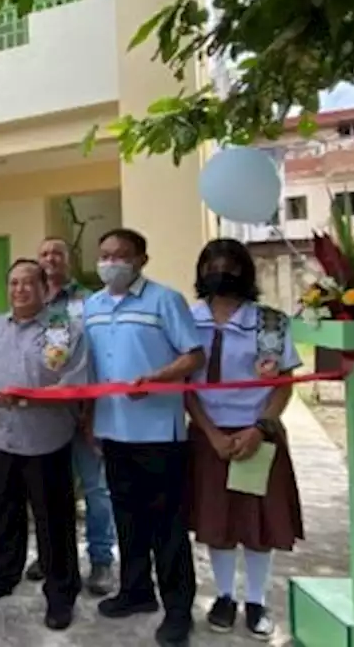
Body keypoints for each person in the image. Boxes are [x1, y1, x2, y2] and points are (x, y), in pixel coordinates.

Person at [83, 228, 205, 647]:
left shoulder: (164, 300)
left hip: (159, 432)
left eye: (121, 255)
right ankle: (136, 591)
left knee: (167, 525)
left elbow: (194, 354)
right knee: (127, 517)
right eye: (105, 255)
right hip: (112, 430)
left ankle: (178, 610)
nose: (111, 263)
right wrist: (88, 421)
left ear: (141, 261)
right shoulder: (92, 307)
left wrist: (156, 378)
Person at [185, 239, 304, 639]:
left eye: (230, 265)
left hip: (259, 434)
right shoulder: (187, 320)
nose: (221, 271)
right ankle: (223, 596)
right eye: (212, 264)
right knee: (217, 520)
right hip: (208, 434)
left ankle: (256, 600)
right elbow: (184, 387)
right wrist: (212, 433)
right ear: (201, 272)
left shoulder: (270, 323)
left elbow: (284, 386)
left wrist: (260, 429)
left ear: (246, 272)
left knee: (257, 521)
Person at [0, 259, 87, 630]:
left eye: (27, 283)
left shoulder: (62, 329)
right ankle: (0, 575)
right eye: (13, 283)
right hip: (1, 436)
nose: (19, 290)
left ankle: (61, 591)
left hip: (45, 439)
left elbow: (74, 384)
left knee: (54, 522)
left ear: (44, 287)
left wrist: (27, 398)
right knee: (1, 514)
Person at [26, 237, 118, 596]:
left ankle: (101, 560)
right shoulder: (31, 302)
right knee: (47, 490)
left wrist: (90, 409)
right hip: (43, 416)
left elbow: (94, 356)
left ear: (70, 260)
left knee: (95, 489)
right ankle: (50, 555)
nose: (50, 259)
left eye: (57, 253)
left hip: (83, 411)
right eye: (44, 253)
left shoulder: (90, 302)